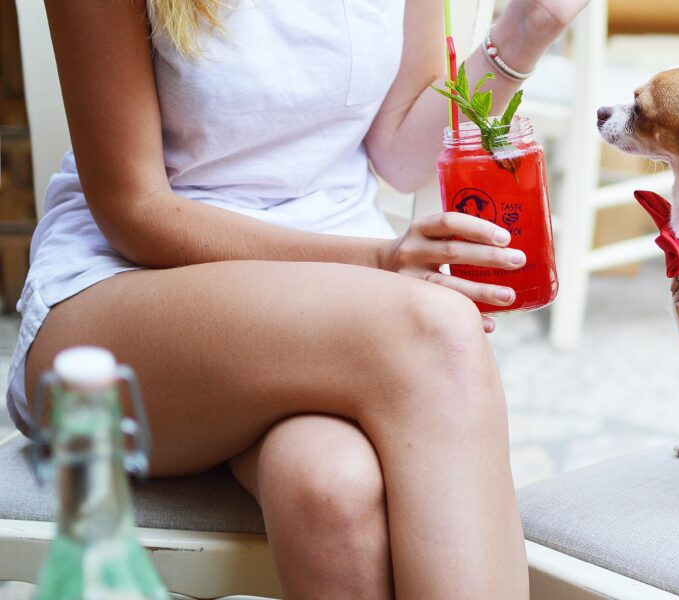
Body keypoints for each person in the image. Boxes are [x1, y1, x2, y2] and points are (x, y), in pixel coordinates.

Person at [10, 0, 587, 597]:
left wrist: (523, 32)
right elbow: (136, 212)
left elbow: (399, 151)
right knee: (437, 330)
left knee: (327, 484)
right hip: (126, 302)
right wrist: (376, 262)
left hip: (326, 323)